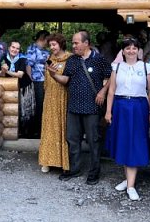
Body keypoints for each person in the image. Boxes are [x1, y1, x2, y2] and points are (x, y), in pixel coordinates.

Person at [48, 31, 112, 185]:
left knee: (93, 141)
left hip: (92, 108)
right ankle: (74, 169)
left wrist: (103, 91)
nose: (73, 46)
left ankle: (94, 173)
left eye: (76, 43)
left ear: (86, 43)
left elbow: (111, 76)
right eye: (73, 43)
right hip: (74, 107)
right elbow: (65, 80)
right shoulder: (72, 60)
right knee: (73, 140)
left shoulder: (99, 59)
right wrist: (54, 75)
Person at [105, 37, 150, 200]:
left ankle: (131, 185)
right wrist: (108, 111)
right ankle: (128, 180)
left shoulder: (146, 67)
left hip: (138, 106)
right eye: (128, 48)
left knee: (135, 141)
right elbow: (111, 90)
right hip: (120, 105)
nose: (131, 51)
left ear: (139, 50)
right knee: (124, 141)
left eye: (134, 48)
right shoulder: (117, 67)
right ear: (123, 51)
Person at [39, 34, 72, 173]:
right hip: (50, 97)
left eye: (54, 45)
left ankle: (63, 162)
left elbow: (69, 79)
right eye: (50, 45)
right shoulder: (49, 59)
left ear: (61, 44)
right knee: (49, 128)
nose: (52, 47)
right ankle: (47, 160)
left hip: (64, 96)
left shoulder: (70, 59)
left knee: (63, 128)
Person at [0, 41, 34, 138]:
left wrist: (7, 71)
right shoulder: (4, 57)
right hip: (11, 87)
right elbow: (1, 75)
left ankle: (25, 133)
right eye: (13, 47)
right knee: (11, 109)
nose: (15, 50)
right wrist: (2, 70)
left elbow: (20, 74)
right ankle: (12, 132)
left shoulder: (22, 58)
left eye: (17, 48)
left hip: (24, 87)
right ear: (9, 47)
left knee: (24, 109)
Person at [26, 30, 50, 139]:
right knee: (39, 105)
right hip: (37, 80)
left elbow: (49, 63)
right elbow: (29, 65)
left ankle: (43, 129)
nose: (48, 42)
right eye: (47, 40)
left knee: (45, 105)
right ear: (42, 38)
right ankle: (35, 131)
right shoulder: (32, 49)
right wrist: (31, 78)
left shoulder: (46, 51)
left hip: (46, 80)